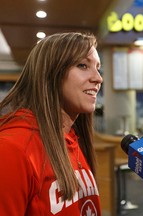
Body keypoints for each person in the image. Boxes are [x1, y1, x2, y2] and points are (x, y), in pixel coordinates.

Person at [0, 32, 103, 215]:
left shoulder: (70, 139)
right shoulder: (11, 148)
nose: (98, 78)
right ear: (50, 74)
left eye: (97, 68)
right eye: (82, 65)